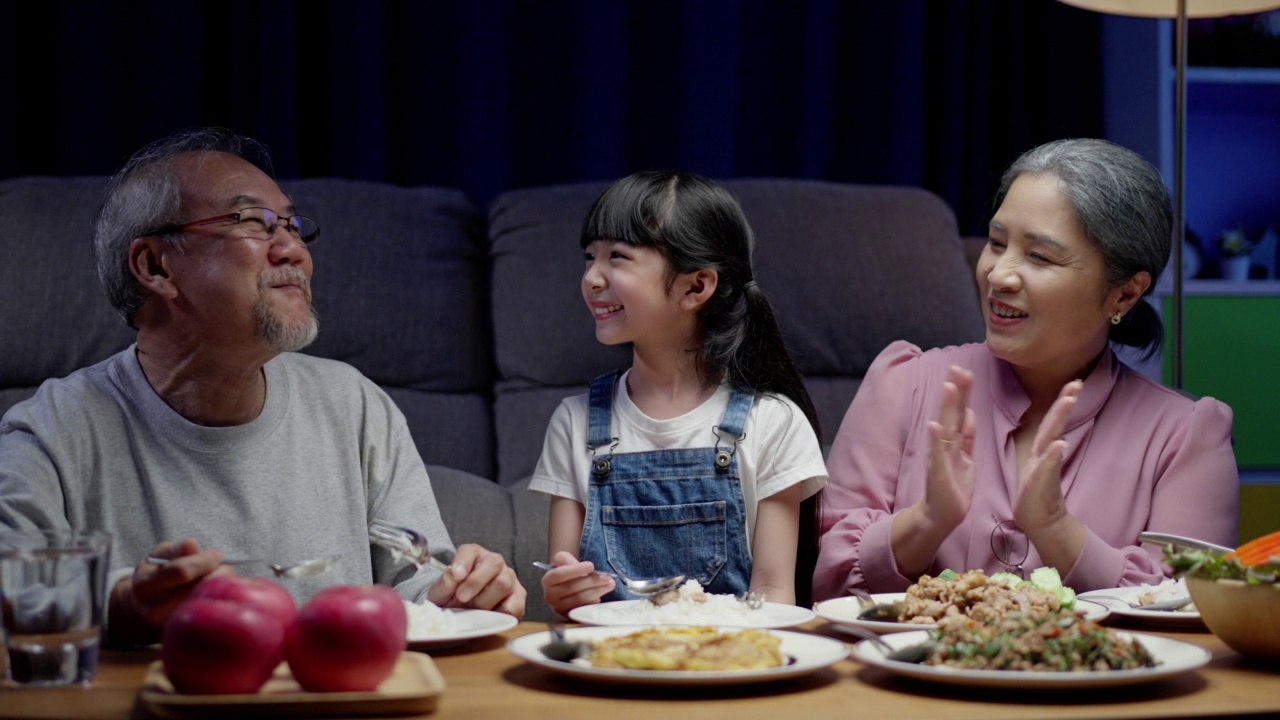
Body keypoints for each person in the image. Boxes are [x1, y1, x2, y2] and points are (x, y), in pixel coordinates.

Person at [0, 128, 525, 645]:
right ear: (156, 265)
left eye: (295, 228)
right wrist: (121, 606)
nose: (294, 251)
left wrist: (462, 596)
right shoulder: (54, 428)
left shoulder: (355, 404)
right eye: (254, 222)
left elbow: (419, 584)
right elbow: (9, 579)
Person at [813, 138, 1239, 600]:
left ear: (1125, 294)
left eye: (1039, 256)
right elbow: (829, 582)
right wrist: (927, 520)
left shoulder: (1186, 438)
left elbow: (1191, 608)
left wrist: (1057, 530)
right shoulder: (903, 383)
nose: (999, 275)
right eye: (997, 243)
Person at [531, 171, 827, 617]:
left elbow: (774, 595)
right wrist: (562, 591)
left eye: (618, 256)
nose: (592, 277)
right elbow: (566, 588)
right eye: (589, 256)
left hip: (727, 667)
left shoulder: (773, 423)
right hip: (607, 669)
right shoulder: (573, 423)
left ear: (696, 286)